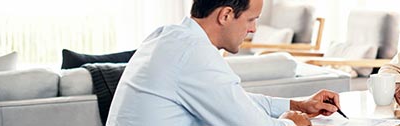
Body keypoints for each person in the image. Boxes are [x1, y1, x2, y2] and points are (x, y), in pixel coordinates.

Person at [105, 0, 340, 125]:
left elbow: (233, 100)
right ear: (226, 15)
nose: (253, 29)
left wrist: (297, 106)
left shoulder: (169, 36)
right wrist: (292, 123)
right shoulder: (193, 53)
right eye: (251, 19)